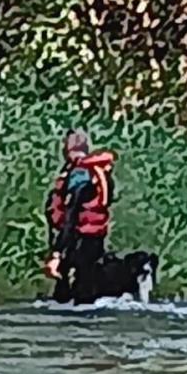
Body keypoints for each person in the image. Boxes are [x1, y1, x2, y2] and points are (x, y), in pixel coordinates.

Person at [43, 129, 116, 304]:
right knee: (86, 282)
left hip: (78, 236)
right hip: (96, 234)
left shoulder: (78, 174)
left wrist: (57, 252)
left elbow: (71, 212)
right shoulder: (98, 172)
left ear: (67, 147)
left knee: (72, 292)